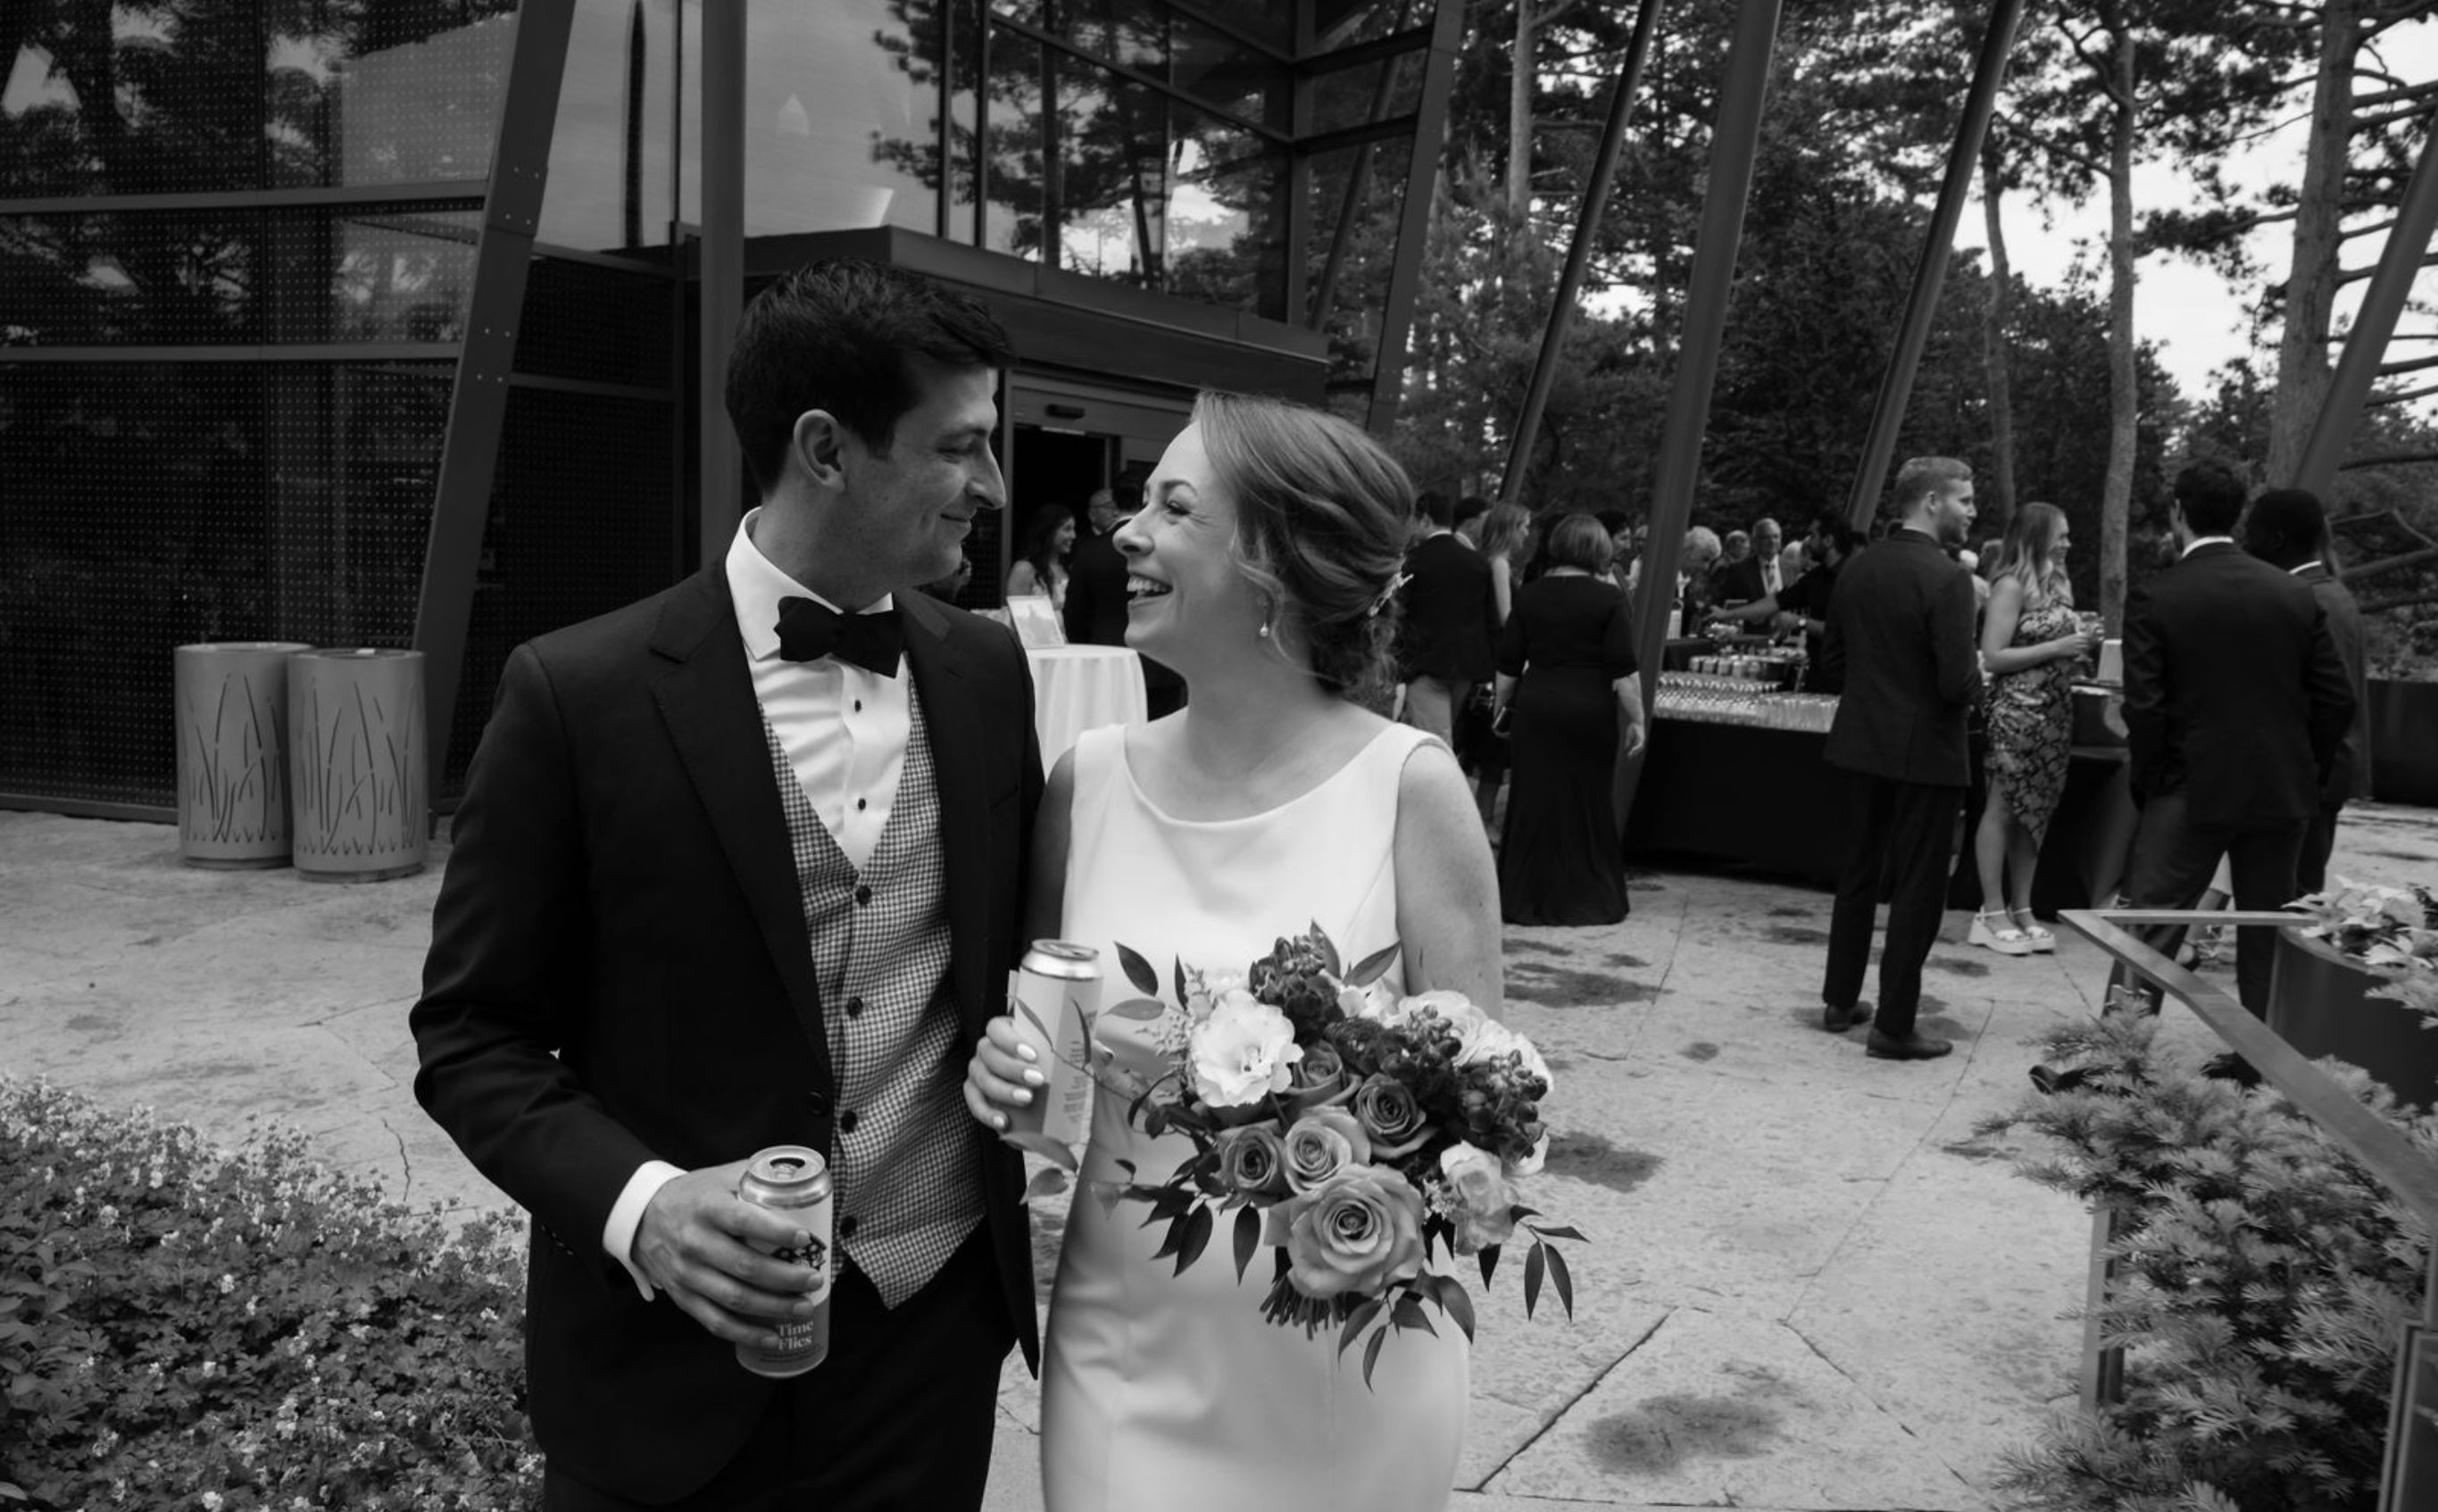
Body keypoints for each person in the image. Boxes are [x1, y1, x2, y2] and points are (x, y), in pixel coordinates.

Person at [409, 259, 1043, 1510]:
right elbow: (470, 1033)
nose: (992, 487)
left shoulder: (986, 670)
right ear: (824, 449)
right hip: (663, 1377)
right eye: (958, 445)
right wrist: (643, 1207)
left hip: (928, 1346)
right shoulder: (574, 693)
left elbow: (1003, 965)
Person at [962, 391, 1500, 1511]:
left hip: (1342, 1369)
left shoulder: (1411, 787)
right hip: (1124, 1354)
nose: (1126, 530)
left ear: (1277, 559)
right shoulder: (1088, 780)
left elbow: (1479, 1132)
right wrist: (1010, 1075)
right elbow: (1048, 1092)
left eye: (1173, 505)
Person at [2105, 462, 2355, 1050]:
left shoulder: (2158, 593)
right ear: (2236, 513)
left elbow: (2145, 708)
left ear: (2176, 511)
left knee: (2152, 927)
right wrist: (2304, 768)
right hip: (2279, 790)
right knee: (2269, 934)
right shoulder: (2293, 592)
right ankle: (2263, 1071)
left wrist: (2151, 782)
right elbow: (2335, 698)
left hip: (2188, 787)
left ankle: (2115, 1065)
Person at [1819, 458, 1983, 1061]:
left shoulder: (1857, 569)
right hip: (1927, 752)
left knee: (1858, 874)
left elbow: (1831, 663)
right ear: (1932, 501)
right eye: (1964, 500)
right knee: (1917, 887)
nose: (1971, 510)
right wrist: (1979, 677)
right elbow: (1954, 682)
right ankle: (1893, 1024)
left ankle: (1839, 1000)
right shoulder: (1947, 579)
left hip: (1862, 741)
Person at [1492, 512, 1644, 926]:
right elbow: (1624, 674)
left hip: (1538, 706)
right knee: (1586, 800)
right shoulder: (1609, 599)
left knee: (1533, 799)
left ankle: (1523, 896)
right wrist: (1637, 720)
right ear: (1598, 550)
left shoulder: (1530, 595)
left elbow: (1508, 666)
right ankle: (1586, 897)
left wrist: (1500, 711)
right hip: (1589, 710)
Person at [1968, 503, 2101, 956]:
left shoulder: (2060, 585)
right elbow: (1994, 656)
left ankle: (2023, 908)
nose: (2067, 543)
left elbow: (2054, 645)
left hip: (2056, 713)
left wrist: (2077, 649)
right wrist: (2057, 646)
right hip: (2016, 712)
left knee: (2036, 812)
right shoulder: (2009, 586)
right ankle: (1990, 911)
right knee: (2002, 807)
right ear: (2036, 536)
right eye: (2060, 535)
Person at [2244, 486, 2373, 894]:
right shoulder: (2329, 593)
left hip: (2313, 775)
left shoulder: (2313, 599)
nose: (2245, 545)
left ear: (2276, 539)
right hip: (2321, 772)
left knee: (2294, 893)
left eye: (2251, 534)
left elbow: (2331, 698)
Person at [1066, 485, 1186, 719]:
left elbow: (1075, 616)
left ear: (1114, 507)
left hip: (1104, 666)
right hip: (1160, 664)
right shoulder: (1168, 549)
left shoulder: (1090, 550)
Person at [1395, 488, 1499, 744]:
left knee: (1435, 742)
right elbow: (1491, 619)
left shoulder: (1416, 561)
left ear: (1425, 519)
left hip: (1425, 663)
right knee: (1436, 733)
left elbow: (1396, 611)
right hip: (1466, 664)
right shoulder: (1478, 563)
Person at [1464, 502, 1536, 827]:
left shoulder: (1490, 562)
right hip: (1497, 662)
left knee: (1487, 743)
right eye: (1523, 526)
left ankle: (1483, 814)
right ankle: (1484, 816)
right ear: (1509, 528)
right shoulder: (1500, 565)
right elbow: (1506, 617)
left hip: (1489, 659)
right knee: (1495, 743)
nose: (1527, 533)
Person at [1006, 504, 1076, 610]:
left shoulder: (1069, 568)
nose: (1073, 535)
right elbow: (1017, 615)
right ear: (1048, 531)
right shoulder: (1024, 569)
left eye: (1073, 529)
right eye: (1067, 529)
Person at [1713, 517, 1784, 606]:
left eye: (1776, 536)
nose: (1772, 541)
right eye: (1766, 537)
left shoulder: (1792, 568)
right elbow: (1724, 606)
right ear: (1755, 541)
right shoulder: (1737, 571)